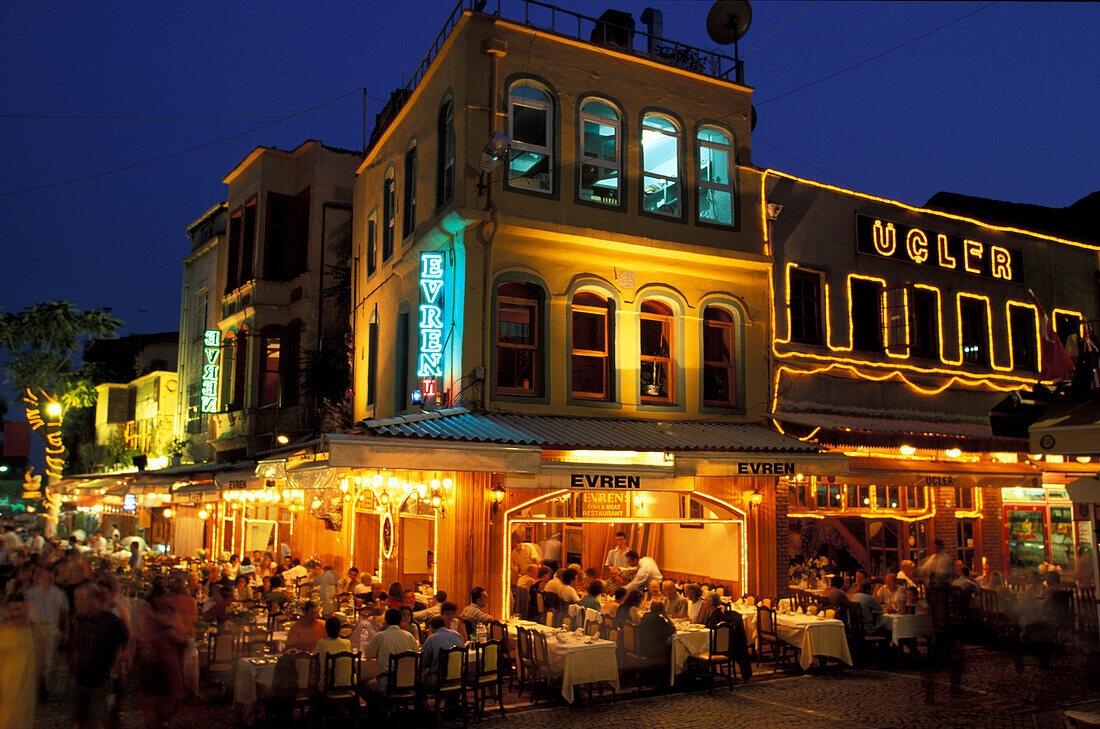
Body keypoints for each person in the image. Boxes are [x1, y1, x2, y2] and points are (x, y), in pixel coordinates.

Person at [68, 582, 128, 729]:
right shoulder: (78, 620)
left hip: (101, 680)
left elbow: (121, 649)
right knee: (78, 720)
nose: (78, 603)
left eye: (83, 599)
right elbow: (74, 647)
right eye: (76, 599)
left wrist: (116, 672)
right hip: (80, 679)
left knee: (96, 721)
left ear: (95, 599)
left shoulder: (111, 621)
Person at [135, 585, 186, 729]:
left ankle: (163, 721)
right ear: (156, 599)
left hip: (168, 665)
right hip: (152, 665)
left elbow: (182, 635)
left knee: (167, 703)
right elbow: (142, 635)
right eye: (165, 596)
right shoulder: (147, 614)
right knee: (153, 703)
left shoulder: (170, 613)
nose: (168, 599)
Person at [25, 565, 68, 698]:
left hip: (50, 628)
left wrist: (65, 631)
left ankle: (43, 685)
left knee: (47, 659)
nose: (47, 579)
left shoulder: (59, 593)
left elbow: (64, 613)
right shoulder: (30, 593)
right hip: (34, 628)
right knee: (33, 659)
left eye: (50, 576)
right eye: (44, 576)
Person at [0, 593, 38, 729]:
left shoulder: (35, 630)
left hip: (27, 690)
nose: (15, 613)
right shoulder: (2, 633)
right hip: (6, 692)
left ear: (26, 609)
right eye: (11, 610)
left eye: (18, 609)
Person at [364, 608, 419, 692]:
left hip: (387, 682)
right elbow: (417, 658)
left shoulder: (380, 636)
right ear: (400, 621)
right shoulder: (409, 637)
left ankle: (377, 705)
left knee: (364, 685)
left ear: (385, 621)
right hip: (408, 682)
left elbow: (368, 655)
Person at [421, 614, 464, 683]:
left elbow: (424, 662)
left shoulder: (432, 639)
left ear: (431, 627)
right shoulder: (457, 635)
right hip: (458, 676)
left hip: (439, 678)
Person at [314, 617, 353, 688]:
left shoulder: (321, 643)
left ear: (326, 630)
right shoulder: (347, 643)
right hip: (348, 684)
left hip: (327, 685)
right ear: (339, 630)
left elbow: (314, 659)